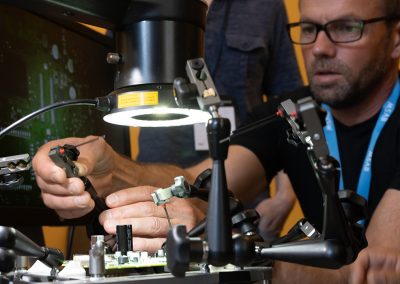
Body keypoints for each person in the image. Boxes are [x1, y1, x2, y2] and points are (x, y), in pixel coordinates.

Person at [32, 0, 400, 282]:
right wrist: (112, 169)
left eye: (347, 27)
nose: (319, 47)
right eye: (308, 28)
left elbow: (373, 269)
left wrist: (229, 246)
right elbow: (196, 181)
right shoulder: (295, 113)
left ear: (396, 38)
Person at [137, 0, 303, 239]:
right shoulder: (140, 3)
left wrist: (284, 197)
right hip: (159, 199)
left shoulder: (266, 6)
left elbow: (288, 104)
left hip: (243, 203)